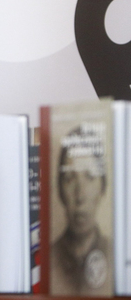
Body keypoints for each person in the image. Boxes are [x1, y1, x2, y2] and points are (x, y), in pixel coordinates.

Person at [49, 124, 112, 295]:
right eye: (70, 178)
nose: (80, 196)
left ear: (102, 187)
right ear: (60, 190)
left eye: (90, 177)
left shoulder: (116, 257)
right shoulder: (48, 260)